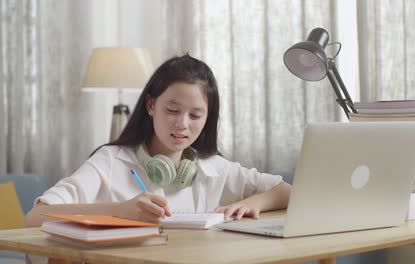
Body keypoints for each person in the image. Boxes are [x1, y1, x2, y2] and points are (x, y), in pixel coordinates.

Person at [25, 54, 291, 227]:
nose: (182, 124)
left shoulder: (213, 167)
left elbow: (288, 192)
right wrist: (120, 211)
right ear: (151, 105)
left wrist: (250, 203)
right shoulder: (110, 161)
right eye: (172, 110)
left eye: (196, 114)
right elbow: (34, 218)